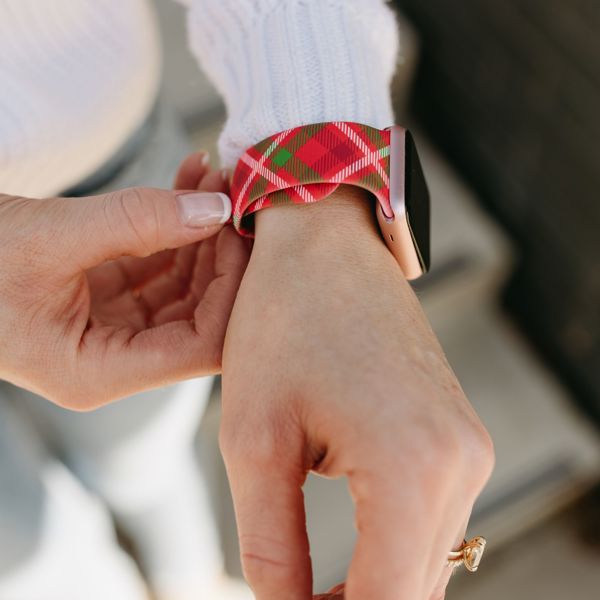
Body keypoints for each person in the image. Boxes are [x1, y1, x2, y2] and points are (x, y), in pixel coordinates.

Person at [0, 1, 495, 600]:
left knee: (143, 453)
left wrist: (322, 208)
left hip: (94, 156)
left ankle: (188, 577)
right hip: (101, 158)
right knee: (27, 553)